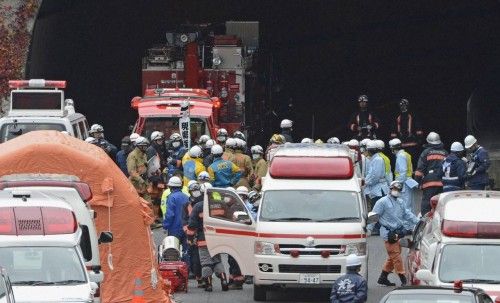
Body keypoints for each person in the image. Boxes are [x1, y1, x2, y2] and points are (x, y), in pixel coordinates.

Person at [369, 181, 419, 287]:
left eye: (398, 190)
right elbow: (373, 216)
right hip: (388, 233)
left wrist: (418, 221)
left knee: (393, 256)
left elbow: (407, 214)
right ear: (390, 189)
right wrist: (368, 230)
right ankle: (403, 278)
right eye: (394, 189)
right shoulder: (382, 202)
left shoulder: (400, 202)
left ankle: (383, 277)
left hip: (399, 232)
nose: (396, 192)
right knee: (396, 256)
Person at [188, 193, 229, 292]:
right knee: (217, 260)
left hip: (203, 239)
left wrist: (190, 238)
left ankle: (209, 284)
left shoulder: (198, 206)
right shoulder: (220, 204)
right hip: (217, 239)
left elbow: (192, 224)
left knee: (206, 262)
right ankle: (224, 280)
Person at [415, 132, 447, 215]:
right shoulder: (445, 153)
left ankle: (426, 224)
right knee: (440, 204)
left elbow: (420, 170)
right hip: (442, 183)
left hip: (429, 184)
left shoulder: (426, 152)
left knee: (426, 205)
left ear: (429, 142)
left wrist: (417, 182)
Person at [163, 176, 190, 264]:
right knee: (186, 249)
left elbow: (170, 214)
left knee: (174, 250)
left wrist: (165, 226)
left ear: (170, 187)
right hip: (186, 227)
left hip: (174, 228)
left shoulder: (171, 197)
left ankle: (177, 270)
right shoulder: (186, 197)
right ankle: (188, 269)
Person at [390, 98, 423, 166]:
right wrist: (393, 140)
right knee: (402, 162)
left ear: (407, 106)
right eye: (401, 105)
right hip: (401, 144)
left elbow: (418, 126)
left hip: (412, 143)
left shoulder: (413, 115)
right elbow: (393, 129)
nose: (403, 107)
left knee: (412, 161)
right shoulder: (397, 116)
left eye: (404, 105)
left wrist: (419, 138)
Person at [183, 181, 204, 287]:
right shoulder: (187, 205)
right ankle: (199, 278)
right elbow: (185, 221)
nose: (195, 193)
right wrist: (189, 235)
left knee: (205, 258)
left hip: (203, 234)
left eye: (196, 190)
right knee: (195, 258)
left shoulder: (204, 203)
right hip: (193, 235)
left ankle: (205, 277)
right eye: (193, 191)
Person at [389, 138, 414, 213]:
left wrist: (398, 184)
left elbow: (403, 171)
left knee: (404, 203)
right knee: (409, 203)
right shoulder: (406, 154)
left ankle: (406, 223)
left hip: (403, 183)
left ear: (393, 148)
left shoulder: (400, 156)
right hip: (408, 181)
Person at [364, 140, 389, 209]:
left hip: (379, 190)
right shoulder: (374, 159)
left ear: (369, 151)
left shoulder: (377, 159)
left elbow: (375, 176)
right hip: (376, 190)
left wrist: (366, 182)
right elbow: (370, 174)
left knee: (377, 212)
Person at [127, 136, 151, 202]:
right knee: (136, 204)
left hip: (144, 183)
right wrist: (141, 181)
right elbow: (131, 172)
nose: (146, 147)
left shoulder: (144, 155)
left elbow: (145, 168)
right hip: (135, 185)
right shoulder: (132, 156)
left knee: (148, 204)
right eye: (144, 146)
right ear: (140, 146)